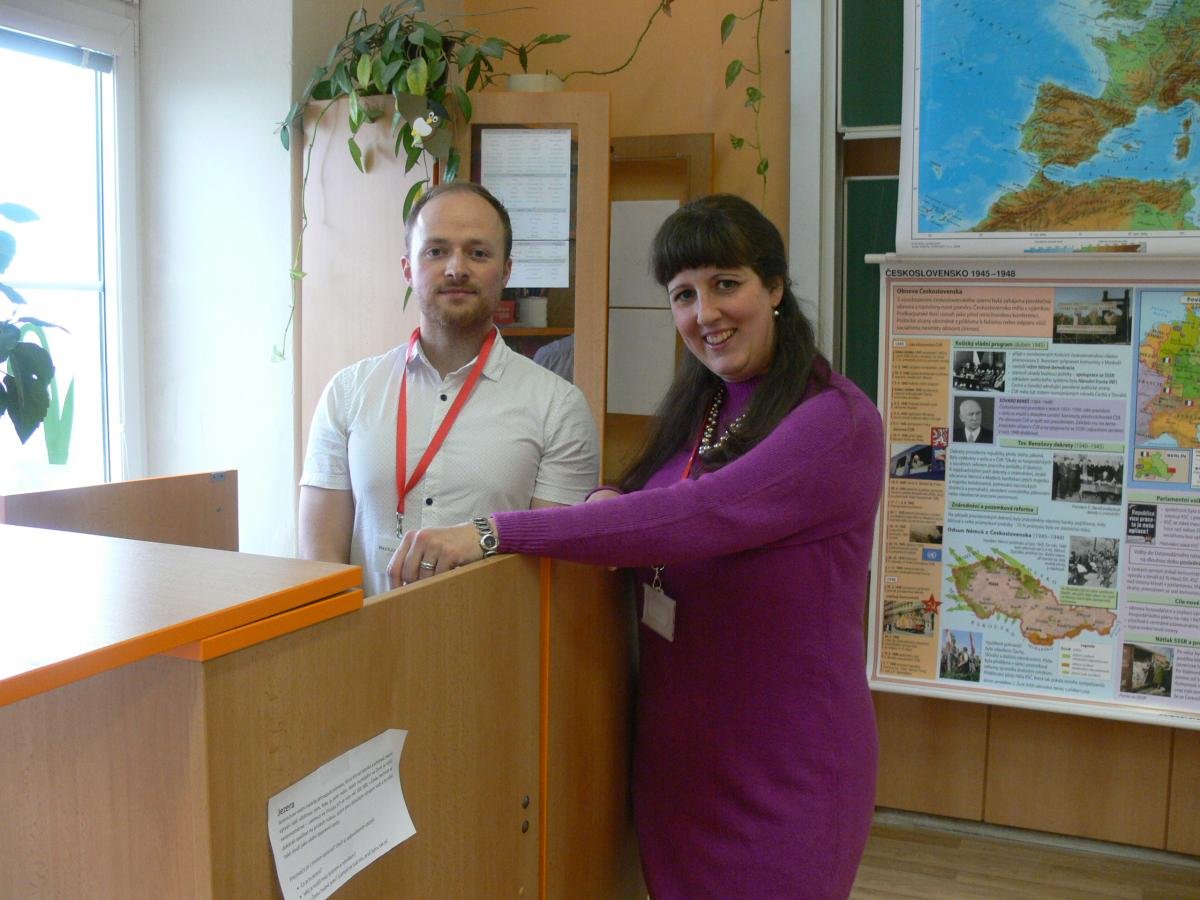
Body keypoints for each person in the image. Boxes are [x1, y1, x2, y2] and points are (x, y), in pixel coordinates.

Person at [391, 194, 884, 897]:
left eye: (726, 283)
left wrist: (492, 531)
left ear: (775, 287)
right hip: (679, 761)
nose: (705, 313)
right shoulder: (706, 402)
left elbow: (698, 513)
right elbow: (649, 495)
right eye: (683, 295)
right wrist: (611, 497)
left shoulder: (835, 421)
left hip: (784, 767)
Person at [298, 181, 600, 596]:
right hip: (369, 634)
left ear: (506, 271)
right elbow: (320, 562)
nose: (456, 268)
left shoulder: (558, 408)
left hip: (494, 635)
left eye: (478, 253)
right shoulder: (348, 393)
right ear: (408, 268)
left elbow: (555, 570)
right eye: (436, 251)